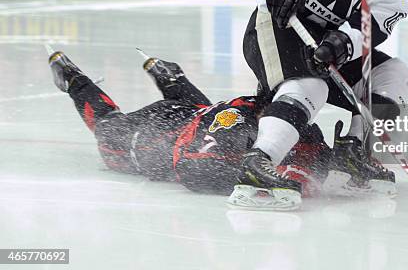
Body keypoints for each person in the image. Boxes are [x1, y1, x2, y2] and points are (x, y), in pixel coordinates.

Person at [228, 0, 408, 210]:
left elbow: (367, 32)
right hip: (277, 26)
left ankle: (352, 152)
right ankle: (259, 163)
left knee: (396, 74)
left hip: (327, 47)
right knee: (310, 87)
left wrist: (342, 43)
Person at [47, 48, 331, 196]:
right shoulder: (235, 121)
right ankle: (75, 80)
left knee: (201, 109)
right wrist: (247, 176)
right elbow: (191, 168)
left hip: (192, 111)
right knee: (108, 129)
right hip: (151, 134)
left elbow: (318, 158)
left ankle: (173, 78)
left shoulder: (294, 119)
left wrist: (340, 155)